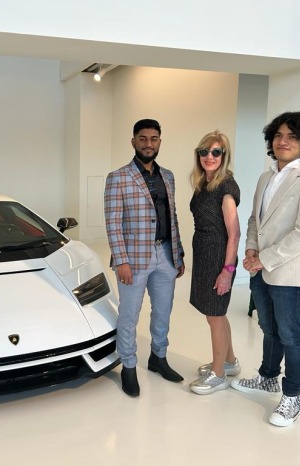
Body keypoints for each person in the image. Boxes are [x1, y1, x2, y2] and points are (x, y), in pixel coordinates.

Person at [230, 111, 300, 426]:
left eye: (292, 136)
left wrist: (264, 258)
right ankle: (267, 377)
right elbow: (254, 219)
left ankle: (293, 397)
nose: (283, 141)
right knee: (269, 328)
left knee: (291, 334)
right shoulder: (266, 177)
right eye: (278, 135)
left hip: (289, 272)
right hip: (260, 267)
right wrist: (250, 248)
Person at [104, 118, 185, 397]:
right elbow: (113, 223)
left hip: (165, 254)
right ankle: (128, 365)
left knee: (163, 312)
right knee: (129, 315)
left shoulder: (169, 176)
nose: (148, 144)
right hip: (134, 259)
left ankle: (158, 358)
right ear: (133, 141)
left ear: (159, 142)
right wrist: (121, 260)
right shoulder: (119, 177)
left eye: (153, 139)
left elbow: (172, 218)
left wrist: (179, 254)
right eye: (143, 138)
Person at [187, 130, 242, 395]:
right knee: (217, 314)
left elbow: (235, 233)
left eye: (216, 152)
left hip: (219, 257)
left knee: (215, 317)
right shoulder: (203, 183)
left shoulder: (225, 187)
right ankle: (229, 361)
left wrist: (227, 271)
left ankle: (219, 374)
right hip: (204, 254)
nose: (210, 157)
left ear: (224, 156)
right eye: (205, 152)